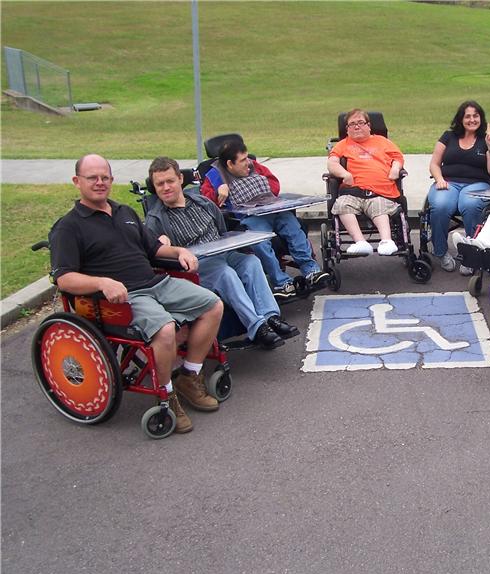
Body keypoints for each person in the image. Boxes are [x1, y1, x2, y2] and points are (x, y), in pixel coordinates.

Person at [49, 154, 225, 434]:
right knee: (165, 330)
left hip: (156, 283)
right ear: (77, 182)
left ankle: (189, 376)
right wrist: (102, 283)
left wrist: (179, 251)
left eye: (104, 177)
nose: (99, 183)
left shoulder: (124, 213)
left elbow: (154, 249)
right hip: (120, 299)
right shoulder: (68, 227)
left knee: (213, 305)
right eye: (92, 177)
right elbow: (64, 277)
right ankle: (166, 395)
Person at [144, 157, 299, 352]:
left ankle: (271, 317)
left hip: (222, 252)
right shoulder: (156, 219)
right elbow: (155, 253)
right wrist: (162, 243)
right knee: (224, 273)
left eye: (170, 181)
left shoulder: (202, 203)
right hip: (195, 265)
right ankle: (257, 326)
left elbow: (222, 231)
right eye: (160, 184)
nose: (166, 187)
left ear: (180, 180)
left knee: (250, 262)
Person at [201, 138, 327, 299]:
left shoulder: (255, 166)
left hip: (273, 208)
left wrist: (261, 193)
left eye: (247, 157)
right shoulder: (214, 176)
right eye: (242, 161)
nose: (248, 163)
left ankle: (311, 270)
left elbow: (274, 185)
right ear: (230, 164)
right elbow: (207, 203)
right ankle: (281, 282)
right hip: (250, 217)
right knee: (261, 243)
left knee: (294, 229)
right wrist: (219, 192)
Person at [427, 100, 490, 274]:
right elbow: (434, 163)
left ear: (481, 118)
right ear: (461, 119)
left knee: (469, 205)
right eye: (467, 116)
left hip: (477, 183)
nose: (471, 119)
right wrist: (439, 178)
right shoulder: (448, 136)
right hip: (448, 182)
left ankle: (471, 255)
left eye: (475, 116)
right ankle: (441, 252)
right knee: (440, 206)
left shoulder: (487, 139)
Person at [326, 108, 404, 257]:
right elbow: (332, 163)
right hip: (353, 191)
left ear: (369, 126)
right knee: (342, 205)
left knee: (379, 206)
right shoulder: (343, 144)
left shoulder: (383, 142)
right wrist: (344, 174)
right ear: (347, 130)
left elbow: (398, 157)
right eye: (352, 124)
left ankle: (386, 241)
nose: (357, 126)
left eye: (361, 123)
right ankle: (360, 242)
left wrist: (395, 168)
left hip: (380, 191)